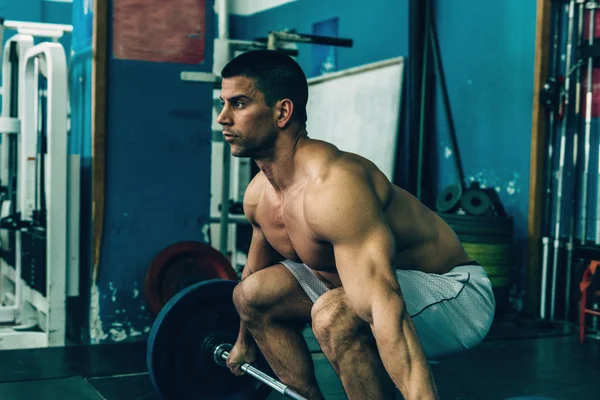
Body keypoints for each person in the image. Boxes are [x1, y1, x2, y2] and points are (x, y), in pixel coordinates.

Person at [216, 49, 495, 400]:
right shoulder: (259, 195)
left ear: (282, 112)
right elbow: (252, 275)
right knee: (250, 295)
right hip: (362, 292)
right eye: (223, 103)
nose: (222, 118)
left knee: (335, 316)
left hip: (456, 296)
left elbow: (383, 307)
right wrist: (244, 343)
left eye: (238, 104)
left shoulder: (332, 188)